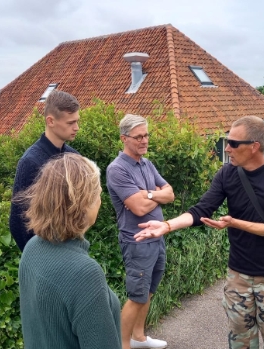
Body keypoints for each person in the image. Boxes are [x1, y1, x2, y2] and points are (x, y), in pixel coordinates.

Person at [136, 115, 264, 349]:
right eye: (227, 140)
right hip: (239, 276)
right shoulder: (227, 174)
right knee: (240, 340)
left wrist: (234, 223)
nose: (227, 148)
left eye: (233, 143)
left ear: (254, 147)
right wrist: (167, 226)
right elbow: (201, 210)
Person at [18, 153, 121, 349]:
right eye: (98, 193)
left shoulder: (32, 248)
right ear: (84, 203)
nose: (101, 199)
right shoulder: (84, 272)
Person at [106, 114, 174, 349]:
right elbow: (137, 207)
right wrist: (154, 194)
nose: (144, 140)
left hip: (157, 237)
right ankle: (122, 345)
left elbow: (170, 193)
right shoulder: (117, 169)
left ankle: (139, 338)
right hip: (136, 242)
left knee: (149, 291)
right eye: (138, 137)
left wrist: (148, 194)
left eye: (146, 135)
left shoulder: (147, 163)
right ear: (124, 139)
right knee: (136, 296)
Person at [10, 90, 81, 251]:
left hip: (72, 249)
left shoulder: (74, 157)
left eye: (77, 121)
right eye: (70, 123)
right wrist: (37, 258)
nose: (76, 127)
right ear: (50, 121)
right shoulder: (31, 162)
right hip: (44, 253)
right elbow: (18, 222)